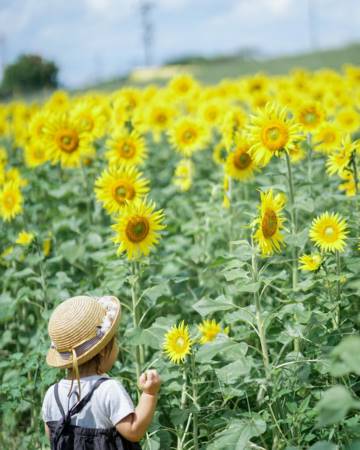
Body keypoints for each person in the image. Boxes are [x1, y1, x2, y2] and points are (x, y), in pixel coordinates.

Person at [41, 295, 161, 450]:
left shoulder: (52, 393)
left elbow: (52, 436)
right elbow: (133, 430)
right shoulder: (108, 389)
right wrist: (149, 394)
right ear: (104, 350)